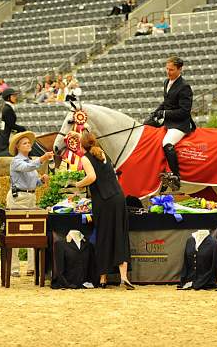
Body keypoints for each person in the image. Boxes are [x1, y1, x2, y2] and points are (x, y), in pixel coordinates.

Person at [75, 131, 134, 290]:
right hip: (118, 197)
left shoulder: (85, 158)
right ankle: (123, 277)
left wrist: (77, 184)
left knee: (104, 236)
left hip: (104, 200)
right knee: (120, 235)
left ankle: (103, 278)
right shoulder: (101, 152)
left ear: (82, 146)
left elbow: (92, 177)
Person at [7, 131, 53, 277]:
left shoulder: (30, 161)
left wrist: (41, 180)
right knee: (14, 231)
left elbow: (33, 182)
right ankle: (14, 268)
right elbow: (27, 168)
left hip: (30, 196)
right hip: (18, 197)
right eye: (25, 143)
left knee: (32, 230)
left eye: (29, 143)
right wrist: (42, 159)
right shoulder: (17, 161)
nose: (28, 145)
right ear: (18, 147)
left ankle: (31, 267)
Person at [145, 55, 195, 190]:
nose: (168, 72)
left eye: (171, 70)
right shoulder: (167, 82)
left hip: (180, 124)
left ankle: (175, 176)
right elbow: (166, 102)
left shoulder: (184, 87)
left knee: (167, 143)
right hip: (168, 120)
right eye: (167, 69)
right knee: (146, 127)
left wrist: (165, 113)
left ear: (180, 69)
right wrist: (156, 111)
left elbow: (184, 111)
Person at [0, 88, 27, 154]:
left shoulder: (8, 107)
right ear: (8, 98)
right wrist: (22, 128)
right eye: (13, 96)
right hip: (7, 135)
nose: (15, 97)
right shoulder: (7, 109)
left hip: (9, 131)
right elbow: (11, 125)